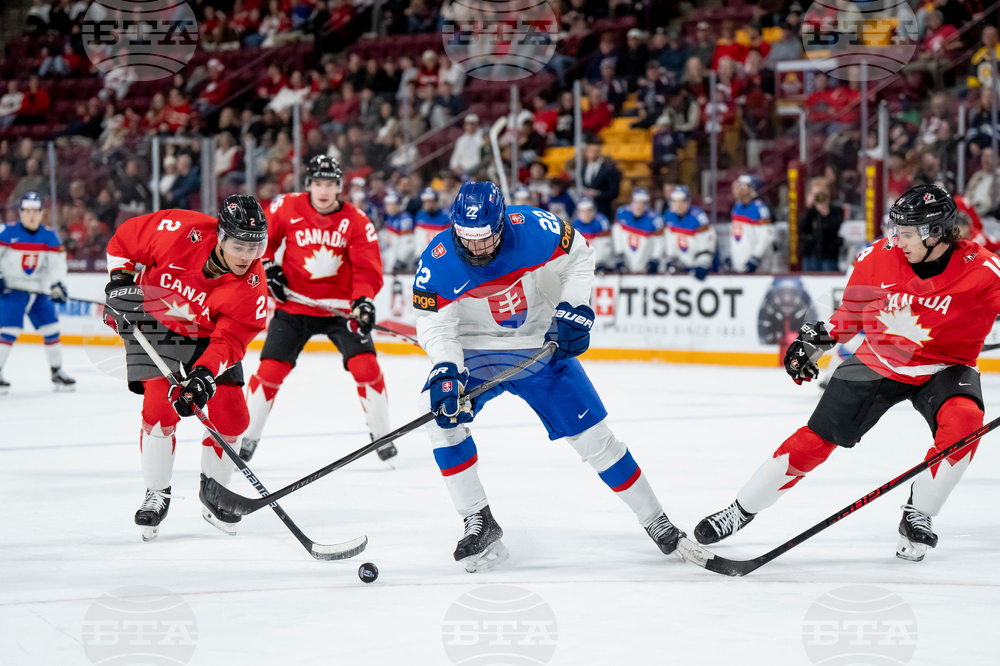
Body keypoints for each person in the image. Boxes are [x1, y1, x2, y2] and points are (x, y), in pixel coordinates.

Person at [694, 184, 998, 563]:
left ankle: (918, 513)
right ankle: (740, 510)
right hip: (880, 359)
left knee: (966, 423)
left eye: (906, 233)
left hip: (946, 367)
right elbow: (850, 315)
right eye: (896, 230)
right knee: (816, 438)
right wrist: (813, 343)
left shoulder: (984, 270)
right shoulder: (878, 256)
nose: (896, 240)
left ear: (935, 233)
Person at [412, 180, 683, 572]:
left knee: (596, 439)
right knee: (439, 415)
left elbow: (581, 255)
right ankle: (478, 518)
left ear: (502, 224)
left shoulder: (537, 228)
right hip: (476, 351)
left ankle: (655, 518)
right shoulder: (436, 261)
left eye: (484, 239)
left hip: (538, 346)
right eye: (466, 239)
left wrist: (573, 306)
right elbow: (435, 325)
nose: (475, 249)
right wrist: (446, 369)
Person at [103, 194, 269, 541]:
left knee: (233, 417)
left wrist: (204, 376)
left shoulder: (252, 286)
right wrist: (120, 284)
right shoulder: (179, 229)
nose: (247, 256)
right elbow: (122, 242)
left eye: (255, 247)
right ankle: (157, 493)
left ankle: (215, 494)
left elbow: (230, 341)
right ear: (222, 235)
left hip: (208, 339)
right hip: (155, 323)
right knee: (159, 407)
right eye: (239, 245)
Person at [240, 156, 396, 463]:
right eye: (317, 183)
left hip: (341, 310)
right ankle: (247, 436)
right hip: (295, 306)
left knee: (366, 367)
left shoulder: (357, 220)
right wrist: (268, 267)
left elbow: (368, 269)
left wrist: (363, 301)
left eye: (330, 184)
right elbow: (261, 242)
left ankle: (381, 434)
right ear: (308, 184)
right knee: (269, 370)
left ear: (339, 187)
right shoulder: (286, 207)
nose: (323, 190)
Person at [0, 192, 74, 392]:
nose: (31, 215)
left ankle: (57, 372)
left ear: (42, 213)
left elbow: (57, 265)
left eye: (35, 211)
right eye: (27, 211)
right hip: (12, 290)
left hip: (40, 292)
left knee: (51, 329)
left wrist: (58, 284)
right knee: (9, 331)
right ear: (21, 212)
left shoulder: (50, 236)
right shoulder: (6, 233)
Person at [663, 186, 715, 280]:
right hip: (679, 269)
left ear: (688, 201)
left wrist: (703, 264)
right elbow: (669, 241)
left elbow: (707, 244)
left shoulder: (699, 217)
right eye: (675, 201)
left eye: (682, 201)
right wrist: (671, 259)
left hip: (696, 268)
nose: (678, 205)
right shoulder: (669, 216)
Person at [729, 175, 774, 273]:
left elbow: (766, 236)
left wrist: (756, 257)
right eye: (739, 185)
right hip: (740, 266)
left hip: (756, 266)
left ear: (752, 189)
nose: (740, 188)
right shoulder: (737, 208)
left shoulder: (759, 208)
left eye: (743, 186)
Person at [612, 189, 664, 274]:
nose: (640, 206)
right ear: (632, 202)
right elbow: (617, 235)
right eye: (637, 202)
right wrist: (619, 253)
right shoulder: (622, 213)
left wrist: (655, 258)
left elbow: (659, 242)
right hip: (626, 263)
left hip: (645, 265)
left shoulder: (655, 219)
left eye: (643, 203)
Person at [798, 178, 843, 272]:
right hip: (810, 255)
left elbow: (833, 229)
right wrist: (809, 208)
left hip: (828, 255)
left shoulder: (836, 211)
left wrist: (825, 212)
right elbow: (803, 228)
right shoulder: (810, 212)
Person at [571, 198, 614, 273]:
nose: (586, 214)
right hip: (583, 260)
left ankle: (600, 265)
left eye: (589, 211)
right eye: (583, 212)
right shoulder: (575, 223)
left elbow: (608, 244)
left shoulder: (601, 220)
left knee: (603, 241)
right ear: (578, 213)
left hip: (601, 259)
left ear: (594, 211)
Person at [380, 189, 415, 273]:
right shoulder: (389, 218)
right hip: (389, 259)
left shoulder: (405, 219)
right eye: (387, 204)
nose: (388, 207)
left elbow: (409, 243)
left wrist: (400, 260)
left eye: (391, 204)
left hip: (402, 263)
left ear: (398, 205)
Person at [414, 187, 450, 256]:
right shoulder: (420, 215)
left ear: (436, 201)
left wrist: (436, 256)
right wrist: (418, 255)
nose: (427, 203)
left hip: (440, 256)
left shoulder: (445, 217)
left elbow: (446, 241)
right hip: (424, 255)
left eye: (429, 200)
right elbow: (418, 238)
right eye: (425, 201)